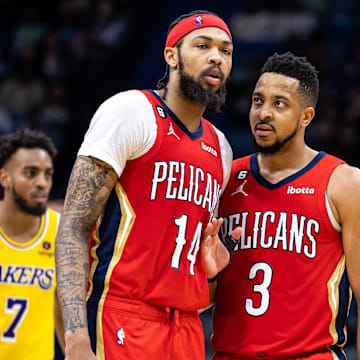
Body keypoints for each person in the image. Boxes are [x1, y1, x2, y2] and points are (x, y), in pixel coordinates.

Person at [55, 10, 240, 360]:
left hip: (186, 327)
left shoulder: (222, 148)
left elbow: (191, 264)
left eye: (226, 51)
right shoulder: (130, 111)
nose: (217, 57)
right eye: (203, 46)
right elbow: (74, 227)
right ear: (171, 55)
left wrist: (209, 274)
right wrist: (76, 333)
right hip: (121, 317)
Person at [210, 51, 360, 360]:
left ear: (306, 116)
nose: (263, 113)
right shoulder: (225, 179)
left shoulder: (344, 183)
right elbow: (201, 300)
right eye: (257, 101)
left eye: (279, 104)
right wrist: (210, 276)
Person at [0, 129, 65, 359]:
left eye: (47, 174)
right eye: (30, 173)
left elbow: (65, 314)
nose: (42, 183)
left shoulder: (59, 233)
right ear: (4, 178)